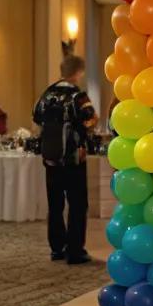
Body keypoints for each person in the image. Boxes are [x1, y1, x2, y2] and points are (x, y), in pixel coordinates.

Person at [33, 53, 97, 265]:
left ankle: (56, 248)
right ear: (78, 73)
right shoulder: (78, 96)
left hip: (51, 158)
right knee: (77, 204)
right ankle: (75, 250)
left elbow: (36, 117)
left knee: (55, 204)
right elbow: (90, 119)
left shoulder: (47, 94)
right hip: (73, 158)